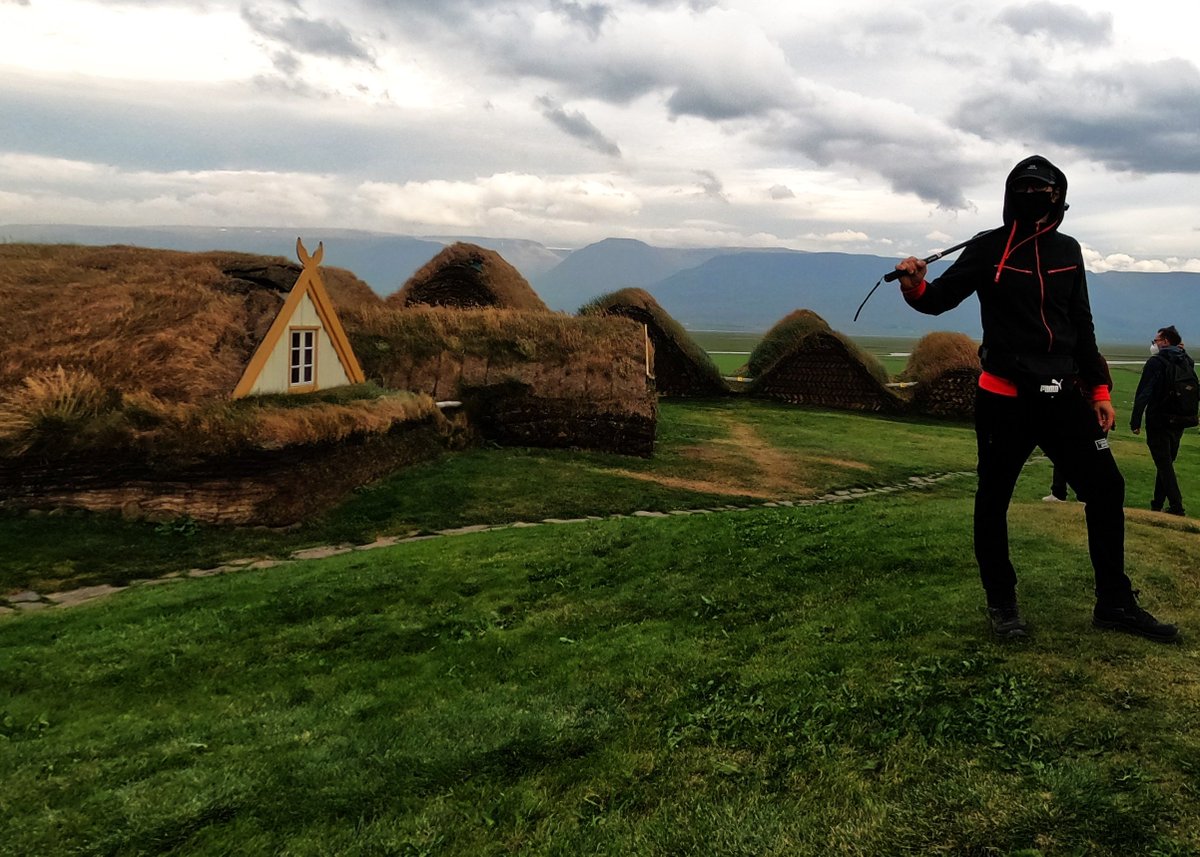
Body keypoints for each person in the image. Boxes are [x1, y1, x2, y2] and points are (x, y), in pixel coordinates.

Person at [894, 155, 1178, 643]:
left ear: (1058, 197)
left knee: (1106, 488)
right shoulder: (988, 249)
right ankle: (1002, 604)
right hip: (1003, 397)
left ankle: (1114, 603)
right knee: (993, 497)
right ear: (1010, 195)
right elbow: (937, 299)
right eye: (1024, 187)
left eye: (1043, 189)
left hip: (1064, 394)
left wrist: (1100, 390)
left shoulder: (1068, 250)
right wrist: (914, 280)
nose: (1034, 195)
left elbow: (1080, 326)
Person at [1131, 325, 1195, 516]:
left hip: (1158, 418)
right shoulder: (1186, 360)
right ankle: (1157, 504)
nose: (1154, 344)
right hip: (1179, 419)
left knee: (1163, 463)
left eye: (1156, 340)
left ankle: (1177, 506)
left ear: (1165, 341)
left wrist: (1136, 421)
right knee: (1166, 462)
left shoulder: (1156, 363)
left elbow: (1144, 392)